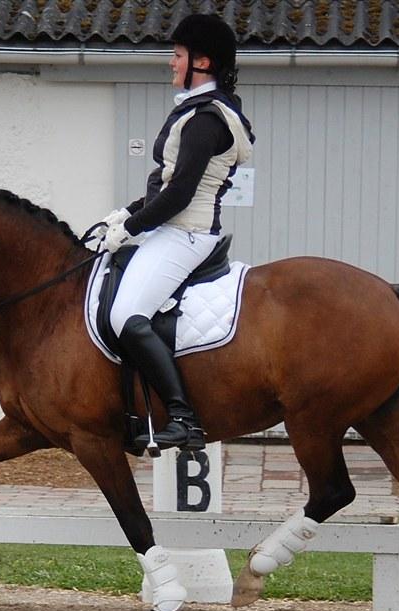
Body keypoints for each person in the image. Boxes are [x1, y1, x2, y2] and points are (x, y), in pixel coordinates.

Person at [99, 14, 255, 451]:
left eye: (178, 55)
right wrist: (124, 213)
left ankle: (183, 417)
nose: (171, 63)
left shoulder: (207, 119)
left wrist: (131, 227)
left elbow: (181, 194)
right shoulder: (196, 111)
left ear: (202, 62)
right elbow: (166, 184)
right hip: (170, 229)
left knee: (124, 316)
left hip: (184, 234)